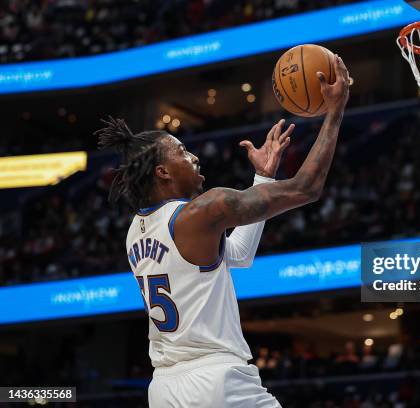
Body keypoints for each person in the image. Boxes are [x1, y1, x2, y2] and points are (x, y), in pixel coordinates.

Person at [95, 55, 350, 407]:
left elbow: (239, 256)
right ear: (162, 173)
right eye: (181, 152)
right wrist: (335, 110)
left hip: (164, 389)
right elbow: (306, 188)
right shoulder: (202, 211)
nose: (193, 157)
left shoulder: (134, 233)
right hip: (215, 382)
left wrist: (262, 178)